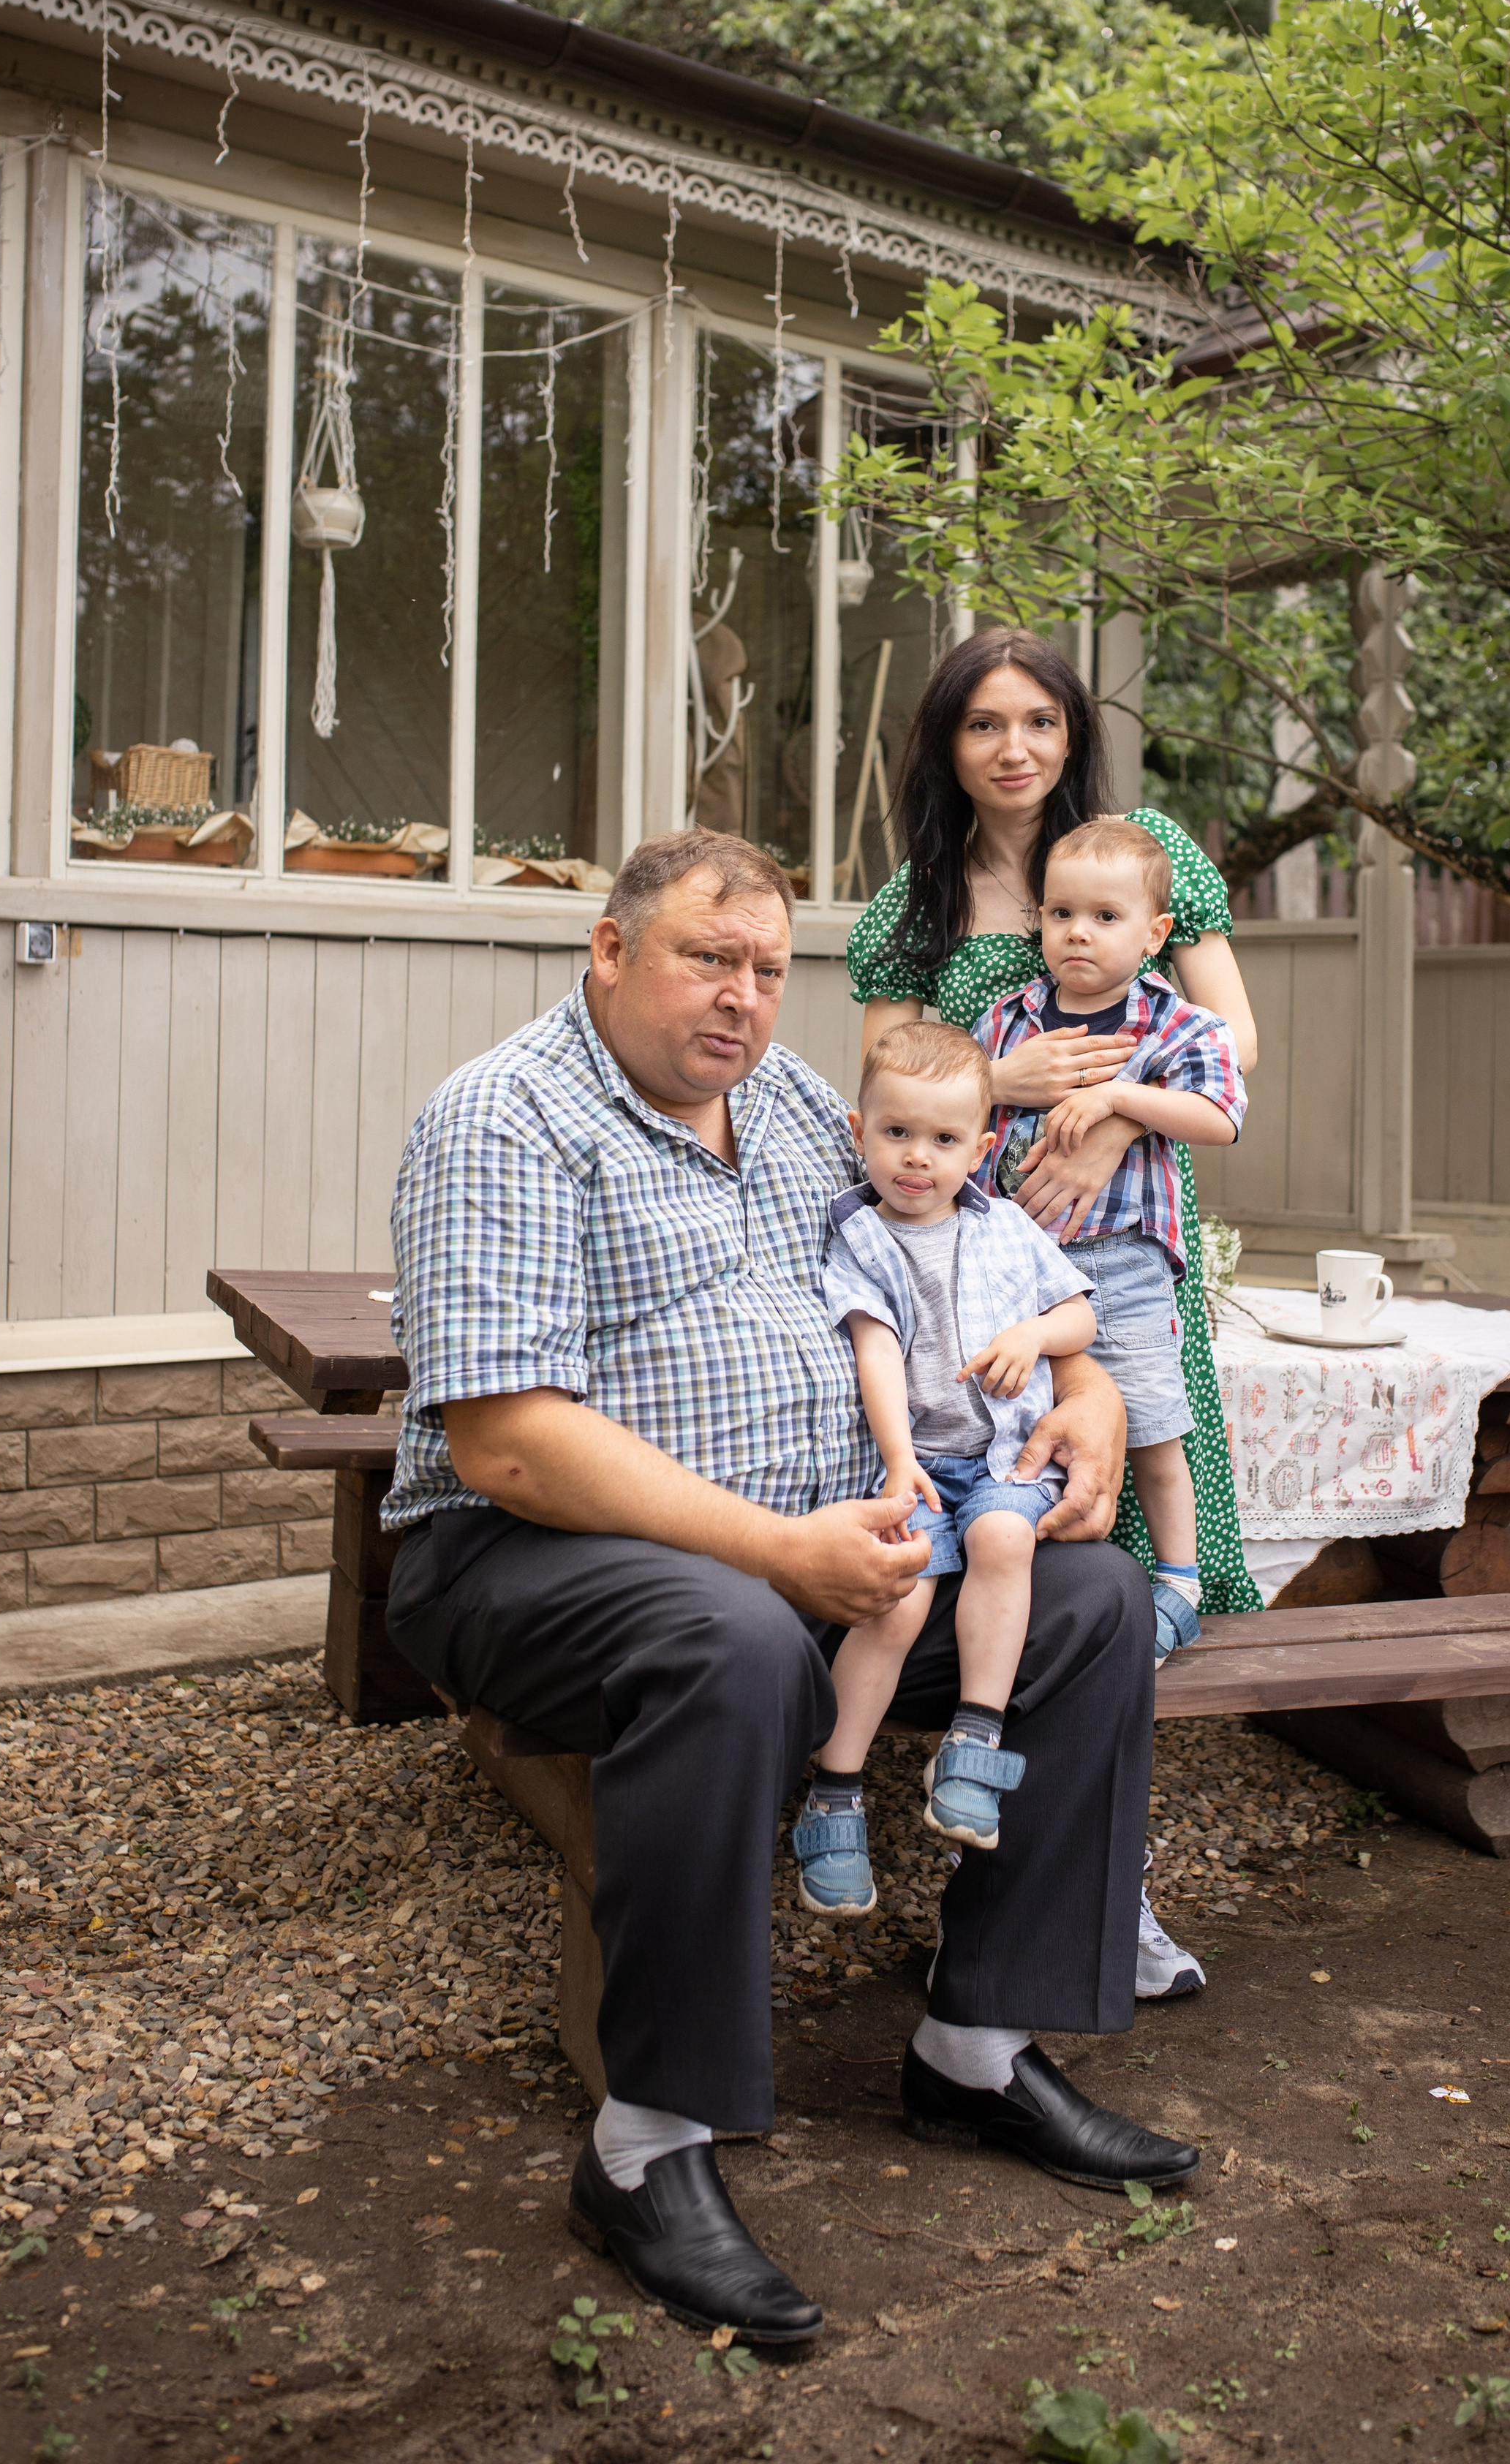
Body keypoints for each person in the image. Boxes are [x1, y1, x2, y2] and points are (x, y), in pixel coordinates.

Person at [382, 827, 1199, 2350]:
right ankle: (647, 2144)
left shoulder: (799, 1108)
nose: (743, 998)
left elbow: (981, 1247)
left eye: (767, 969)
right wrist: (775, 1552)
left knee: (1085, 1605)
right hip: (524, 1560)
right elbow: (503, 1445)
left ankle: (972, 2043)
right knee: (735, 1637)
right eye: (708, 957)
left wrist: (1083, 1395)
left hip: (818, 1541)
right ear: (608, 952)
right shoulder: (503, 1118)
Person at [846, 627, 1264, 2002]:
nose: (1013, 748)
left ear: (1074, 732)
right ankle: (984, 1857)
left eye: (1039, 721)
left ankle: (1099, 1897)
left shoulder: (1145, 854)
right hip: (979, 1295)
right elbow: (902, 1086)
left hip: (1125, 1266)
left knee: (1122, 1572)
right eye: (982, 724)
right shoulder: (916, 901)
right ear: (946, 743)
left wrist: (1108, 1115)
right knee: (1003, 1558)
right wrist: (1014, 1092)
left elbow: (1234, 1047)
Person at [791, 1020, 1097, 1916]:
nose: (916, 1158)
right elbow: (875, 1352)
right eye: (895, 1134)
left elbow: (1079, 1316)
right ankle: (833, 1790)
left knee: (1005, 1537)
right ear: (859, 1131)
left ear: (984, 1146)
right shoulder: (859, 1237)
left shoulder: (1005, 1227)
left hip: (1002, 1451)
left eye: (944, 1139)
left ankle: (974, 1739)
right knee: (901, 1592)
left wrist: (1034, 1333)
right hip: (916, 1460)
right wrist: (895, 1463)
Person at [976, 820, 1247, 1663]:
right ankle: (1032, 1583)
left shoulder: (1173, 1025)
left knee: (1153, 1426)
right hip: (1017, 1269)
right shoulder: (1008, 1021)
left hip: (1120, 1264)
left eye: (1103, 916)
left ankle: (1178, 1582)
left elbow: (1220, 1117)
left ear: (1153, 933)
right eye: (1060, 914)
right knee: (1024, 1423)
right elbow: (959, 1110)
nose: (1078, 933)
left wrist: (1126, 1101)